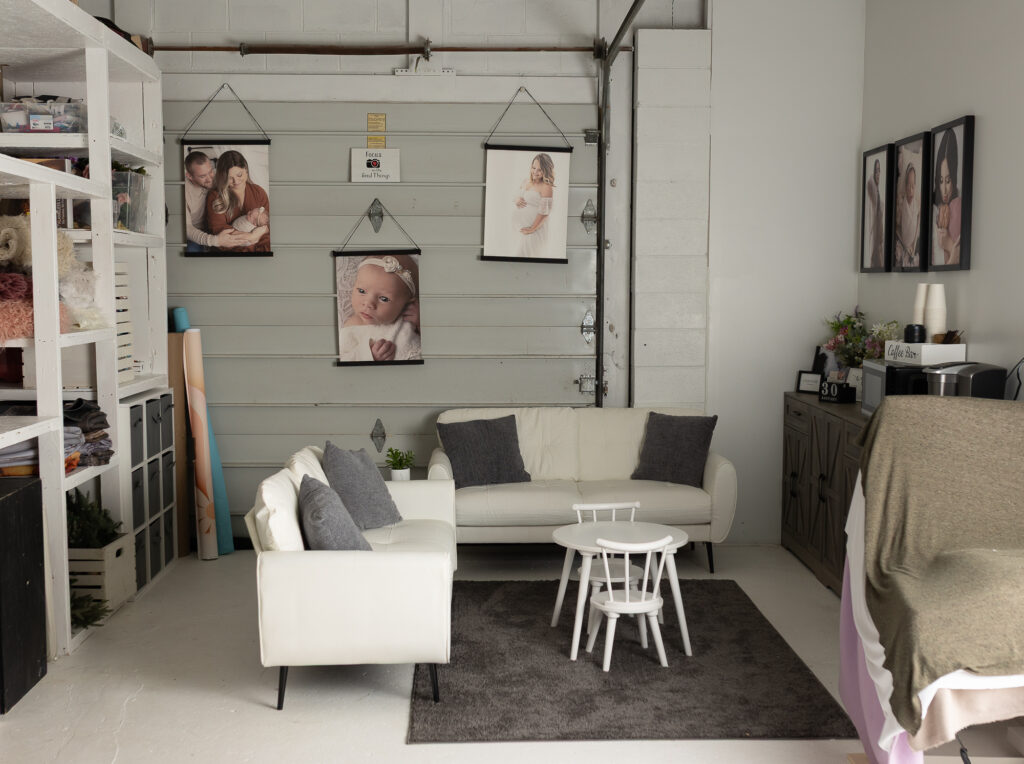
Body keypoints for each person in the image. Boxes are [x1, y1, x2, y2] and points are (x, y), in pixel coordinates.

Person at [338, 254, 421, 362]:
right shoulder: (352, 327)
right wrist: (369, 355)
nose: (368, 303)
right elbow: (344, 360)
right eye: (362, 291)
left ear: (407, 302)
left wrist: (420, 323)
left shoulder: (408, 317)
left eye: (384, 299)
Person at [205, 150, 271, 252]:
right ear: (223, 178)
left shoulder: (258, 192)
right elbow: (220, 231)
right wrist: (251, 236)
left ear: (246, 170)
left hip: (258, 245)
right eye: (230, 178)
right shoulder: (215, 197)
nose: (236, 181)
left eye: (239, 175)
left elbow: (267, 226)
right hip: (229, 247)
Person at [184, 151, 249, 252]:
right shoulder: (184, 192)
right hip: (197, 231)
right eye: (202, 176)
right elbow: (187, 228)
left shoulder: (218, 176)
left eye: (210, 171)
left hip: (219, 224)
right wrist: (215, 241)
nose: (210, 178)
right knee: (192, 251)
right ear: (189, 176)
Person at [513, 153, 555, 259]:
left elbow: (545, 213)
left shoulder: (546, 187)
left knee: (521, 258)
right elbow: (516, 196)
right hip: (520, 231)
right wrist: (516, 199)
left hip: (535, 231)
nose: (535, 172)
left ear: (546, 171)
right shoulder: (525, 181)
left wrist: (532, 228)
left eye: (540, 170)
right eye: (533, 167)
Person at [932, 128, 962, 266]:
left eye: (948, 181)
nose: (944, 190)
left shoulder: (957, 206)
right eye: (941, 180)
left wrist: (949, 244)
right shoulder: (933, 211)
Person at [894, 163, 920, 268]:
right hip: (904, 241)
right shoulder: (901, 204)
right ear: (905, 186)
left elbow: (917, 225)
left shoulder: (916, 205)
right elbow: (898, 224)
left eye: (913, 185)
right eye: (908, 185)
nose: (911, 188)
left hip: (912, 246)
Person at [865, 158, 883, 268]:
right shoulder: (872, 187)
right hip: (875, 237)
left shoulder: (878, 192)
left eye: (879, 170)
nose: (878, 174)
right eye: (876, 171)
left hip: (879, 238)